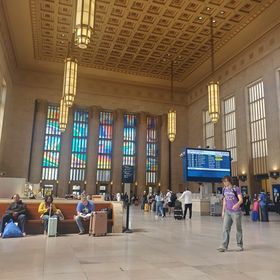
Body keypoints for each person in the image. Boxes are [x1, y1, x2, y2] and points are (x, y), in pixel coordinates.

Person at [218, 176, 243, 252]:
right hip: (227, 212)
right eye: (223, 181)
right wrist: (223, 211)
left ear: (229, 181)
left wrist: (237, 204)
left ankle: (239, 245)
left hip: (236, 212)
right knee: (225, 229)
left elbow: (241, 200)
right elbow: (225, 200)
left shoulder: (236, 189)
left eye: (226, 181)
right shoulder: (224, 189)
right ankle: (224, 246)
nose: (224, 183)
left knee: (238, 229)